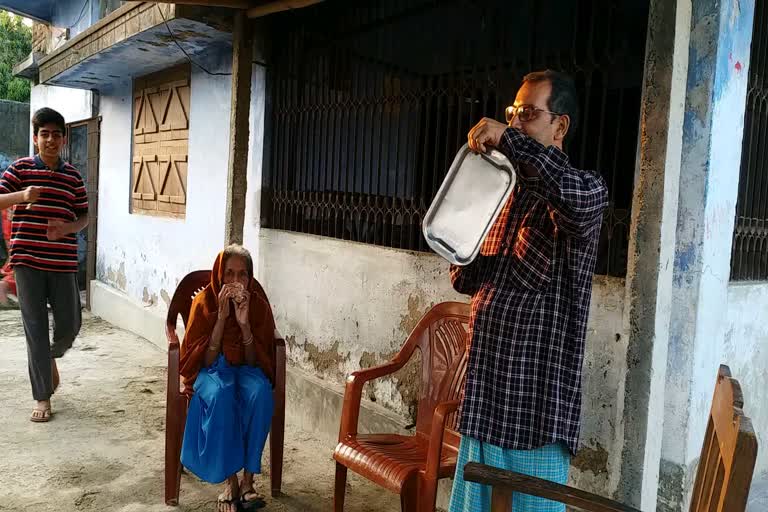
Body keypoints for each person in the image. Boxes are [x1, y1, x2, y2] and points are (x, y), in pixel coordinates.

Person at [448, 70, 608, 512]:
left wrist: (508, 140)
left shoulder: (587, 191)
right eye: (512, 114)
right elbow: (464, 279)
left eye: (529, 114)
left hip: (533, 417)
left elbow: (570, 198)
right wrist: (465, 215)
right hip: (485, 404)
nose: (515, 123)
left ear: (560, 125)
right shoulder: (506, 195)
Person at [0, 107, 89, 423]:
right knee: (35, 330)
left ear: (63, 138)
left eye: (56, 134)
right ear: (36, 138)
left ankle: (49, 357)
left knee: (70, 325)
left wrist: (66, 229)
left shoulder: (72, 176)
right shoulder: (20, 169)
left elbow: (84, 215)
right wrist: (22, 195)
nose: (51, 139)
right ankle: (42, 397)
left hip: (63, 263)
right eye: (44, 134)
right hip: (27, 263)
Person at [180, 245, 276, 512]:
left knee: (260, 391)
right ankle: (229, 480)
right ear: (219, 276)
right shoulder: (204, 304)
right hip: (211, 371)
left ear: (250, 278)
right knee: (222, 394)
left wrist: (244, 323)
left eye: (242, 275)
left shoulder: (257, 305)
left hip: (244, 369)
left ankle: (248, 481)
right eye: (229, 274)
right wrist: (222, 318)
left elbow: (254, 362)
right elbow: (204, 362)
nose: (235, 282)